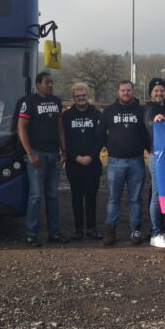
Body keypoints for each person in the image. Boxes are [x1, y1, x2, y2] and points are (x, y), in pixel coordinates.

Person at [17, 72, 67, 247]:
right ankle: (32, 234)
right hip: (37, 155)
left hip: (54, 155)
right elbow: (21, 128)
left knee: (52, 195)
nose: (50, 85)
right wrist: (30, 153)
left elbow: (60, 128)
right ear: (38, 84)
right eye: (47, 83)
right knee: (36, 196)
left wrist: (64, 151)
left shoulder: (57, 102)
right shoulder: (29, 102)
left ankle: (54, 233)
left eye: (52, 82)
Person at [99, 80, 149, 246]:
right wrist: (111, 146)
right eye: (123, 90)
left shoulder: (141, 111)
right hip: (115, 162)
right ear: (118, 92)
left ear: (133, 91)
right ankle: (111, 229)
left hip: (136, 161)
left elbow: (147, 133)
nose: (126, 93)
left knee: (135, 199)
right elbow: (100, 133)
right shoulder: (109, 111)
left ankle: (135, 230)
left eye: (128, 90)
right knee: (114, 198)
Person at [62, 83, 103, 241]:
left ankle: (92, 229)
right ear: (73, 98)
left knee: (91, 197)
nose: (81, 98)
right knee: (76, 197)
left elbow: (100, 139)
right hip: (74, 164)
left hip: (92, 163)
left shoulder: (96, 114)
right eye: (78, 96)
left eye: (83, 95)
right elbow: (65, 139)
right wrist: (76, 157)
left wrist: (91, 156)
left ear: (88, 96)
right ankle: (78, 229)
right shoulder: (67, 116)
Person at [144, 79, 165, 249]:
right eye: (156, 90)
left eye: (161, 90)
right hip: (156, 155)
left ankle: (163, 231)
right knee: (157, 195)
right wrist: (157, 121)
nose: (159, 93)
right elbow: (151, 129)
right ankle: (155, 233)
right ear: (151, 92)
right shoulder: (149, 109)